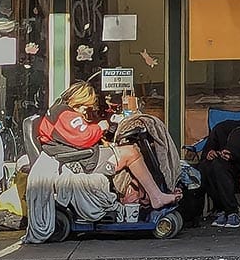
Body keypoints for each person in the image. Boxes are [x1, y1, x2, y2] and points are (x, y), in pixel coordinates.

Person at [38, 81, 181, 209]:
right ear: (78, 101)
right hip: (81, 160)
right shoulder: (65, 114)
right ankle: (156, 197)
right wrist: (100, 127)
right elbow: (84, 138)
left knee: (131, 151)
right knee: (132, 153)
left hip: (78, 155)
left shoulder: (59, 111)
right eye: (84, 108)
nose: (84, 112)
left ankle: (142, 196)